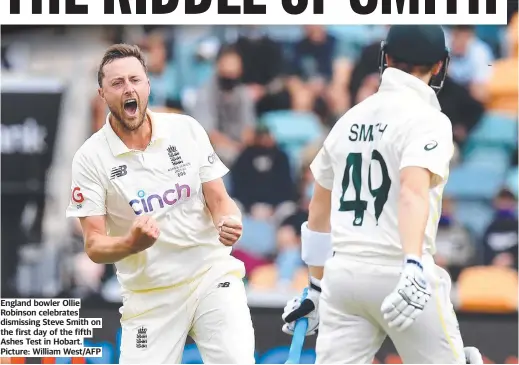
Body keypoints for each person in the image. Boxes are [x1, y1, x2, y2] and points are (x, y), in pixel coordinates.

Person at [280, 25, 483, 364]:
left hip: (343, 277)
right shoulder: (429, 119)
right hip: (400, 271)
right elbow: (413, 192)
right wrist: (414, 264)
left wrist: (316, 286)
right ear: (439, 65)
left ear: (385, 58)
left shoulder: (348, 119)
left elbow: (318, 210)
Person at [65, 44, 255, 364]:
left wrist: (228, 221)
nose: (129, 88)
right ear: (102, 93)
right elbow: (94, 244)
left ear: (148, 85)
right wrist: (130, 243)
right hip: (150, 297)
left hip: (211, 274)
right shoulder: (89, 158)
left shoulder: (186, 129)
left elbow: (219, 199)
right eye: (117, 83)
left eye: (135, 80)